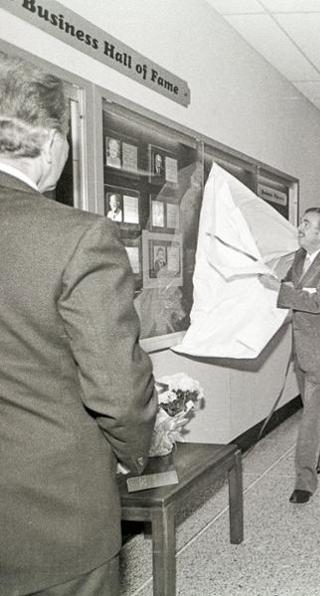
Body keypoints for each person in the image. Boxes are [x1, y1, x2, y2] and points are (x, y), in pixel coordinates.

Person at [0, 50, 156, 595]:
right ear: (49, 143)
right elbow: (117, 389)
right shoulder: (77, 236)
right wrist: (137, 452)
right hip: (51, 511)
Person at [259, 207, 320, 504]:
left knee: (310, 415)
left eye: (306, 224)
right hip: (302, 345)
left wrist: (279, 291)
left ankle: (304, 481)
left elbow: (319, 301)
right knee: (315, 406)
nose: (300, 227)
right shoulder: (300, 256)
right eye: (301, 223)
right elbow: (287, 283)